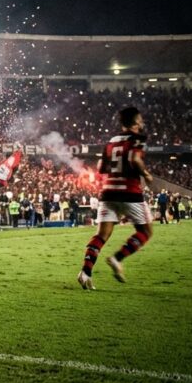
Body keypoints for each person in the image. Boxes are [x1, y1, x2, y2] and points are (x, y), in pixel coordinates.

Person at [78, 107, 154, 290]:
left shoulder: (111, 142)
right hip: (130, 193)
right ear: (135, 122)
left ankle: (85, 273)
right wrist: (146, 174)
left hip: (108, 193)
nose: (141, 123)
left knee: (101, 236)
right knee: (145, 232)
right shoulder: (138, 139)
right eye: (140, 120)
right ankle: (117, 259)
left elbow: (101, 168)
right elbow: (135, 159)